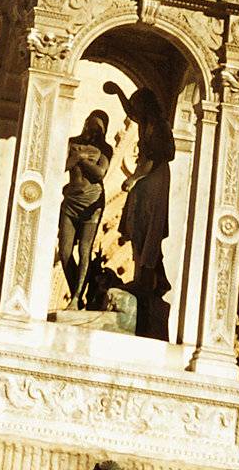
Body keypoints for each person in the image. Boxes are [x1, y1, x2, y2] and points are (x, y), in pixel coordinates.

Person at [104, 80, 177, 340]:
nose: (133, 112)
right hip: (145, 177)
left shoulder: (158, 126)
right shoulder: (146, 122)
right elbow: (130, 112)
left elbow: (160, 156)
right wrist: (117, 92)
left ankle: (147, 280)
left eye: (136, 106)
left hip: (154, 178)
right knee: (137, 226)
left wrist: (135, 179)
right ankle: (153, 278)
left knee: (149, 228)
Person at [57, 109, 114, 308]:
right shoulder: (72, 142)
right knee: (64, 252)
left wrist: (81, 159)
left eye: (99, 128)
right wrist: (77, 157)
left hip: (92, 202)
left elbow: (99, 174)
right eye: (92, 125)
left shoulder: (105, 149)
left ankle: (75, 298)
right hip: (71, 200)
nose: (94, 131)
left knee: (84, 250)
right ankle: (76, 292)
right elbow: (60, 167)